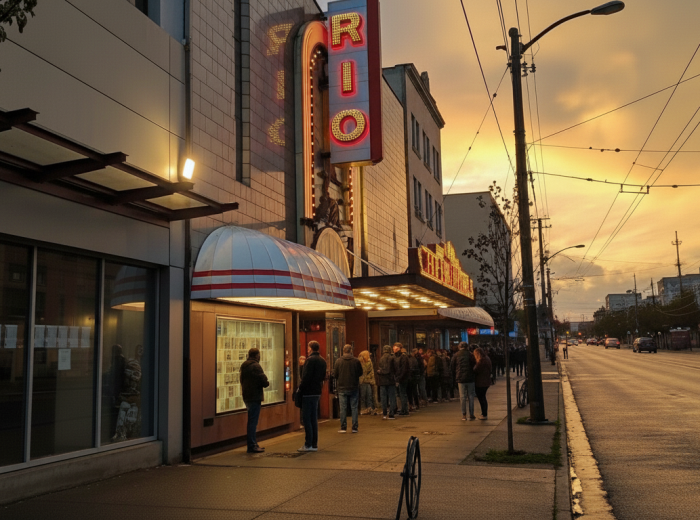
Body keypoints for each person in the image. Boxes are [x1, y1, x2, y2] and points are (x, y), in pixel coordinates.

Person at [298, 340, 327, 452]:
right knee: (313, 418)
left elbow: (306, 377)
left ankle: (308, 443)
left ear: (310, 348)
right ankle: (314, 443)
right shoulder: (322, 361)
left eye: (308, 347)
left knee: (306, 418)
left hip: (308, 392)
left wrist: (300, 389)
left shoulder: (309, 361)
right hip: (317, 391)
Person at [240, 347, 270, 453]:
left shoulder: (244, 365)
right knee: (253, 421)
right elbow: (264, 381)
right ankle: (252, 445)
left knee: (251, 421)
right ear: (257, 355)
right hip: (255, 396)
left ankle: (253, 443)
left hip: (247, 396)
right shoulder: (256, 366)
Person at [333, 344, 363, 433]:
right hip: (353, 386)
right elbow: (360, 373)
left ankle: (343, 427)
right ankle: (354, 427)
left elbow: (335, 374)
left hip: (342, 387)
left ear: (343, 351)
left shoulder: (338, 361)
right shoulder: (356, 361)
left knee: (343, 408)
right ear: (351, 351)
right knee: (354, 407)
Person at [451, 341, 476, 420]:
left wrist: (455, 375)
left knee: (462, 397)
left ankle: (464, 415)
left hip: (460, 378)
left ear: (459, 347)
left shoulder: (456, 355)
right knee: (471, 396)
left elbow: (452, 366)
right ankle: (471, 414)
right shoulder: (471, 355)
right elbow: (474, 365)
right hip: (470, 378)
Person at [376, 344, 397, 419]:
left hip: (382, 381)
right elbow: (395, 369)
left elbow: (379, 369)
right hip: (391, 380)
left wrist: (380, 372)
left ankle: (384, 413)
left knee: (383, 398)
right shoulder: (392, 358)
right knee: (392, 397)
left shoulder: (381, 359)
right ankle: (391, 413)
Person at [473, 347, 492, 420]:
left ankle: (484, 414)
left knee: (481, 398)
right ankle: (484, 413)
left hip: (481, 382)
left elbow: (475, 370)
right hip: (486, 381)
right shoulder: (487, 358)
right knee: (483, 397)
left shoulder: (481, 361)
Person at [358, 350, 377, 415]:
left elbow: (370, 372)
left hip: (367, 381)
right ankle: (364, 408)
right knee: (364, 395)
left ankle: (369, 407)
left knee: (369, 394)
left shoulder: (368, 362)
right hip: (363, 381)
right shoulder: (360, 362)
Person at [393, 343, 410, 415]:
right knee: (400, 394)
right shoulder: (396, 356)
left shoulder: (403, 357)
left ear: (399, 348)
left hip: (402, 378)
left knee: (402, 393)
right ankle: (402, 408)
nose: (394, 349)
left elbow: (404, 369)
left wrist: (399, 378)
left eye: (395, 348)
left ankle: (404, 409)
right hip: (398, 377)